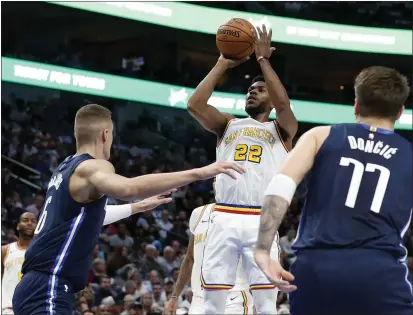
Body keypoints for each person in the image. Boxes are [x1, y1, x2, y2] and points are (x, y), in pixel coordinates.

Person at [12, 103, 245, 315]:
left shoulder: (64, 169)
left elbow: (86, 219)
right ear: (105, 134)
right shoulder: (92, 166)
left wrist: (136, 208)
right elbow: (129, 187)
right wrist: (201, 172)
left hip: (34, 287)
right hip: (48, 287)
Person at [254, 66, 412, 315]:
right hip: (380, 274)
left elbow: (280, 186)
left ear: (356, 105)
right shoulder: (409, 154)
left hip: (316, 270)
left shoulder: (320, 136)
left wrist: (263, 250)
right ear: (400, 111)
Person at [187, 25, 297, 314]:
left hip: (260, 220)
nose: (252, 93)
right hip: (222, 216)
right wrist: (223, 62)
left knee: (265, 304)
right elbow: (194, 104)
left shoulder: (281, 130)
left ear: (271, 98)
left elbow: (284, 103)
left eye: (260, 90)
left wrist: (263, 61)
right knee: (212, 303)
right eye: (250, 89)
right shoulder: (228, 124)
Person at [165, 203, 274, 315]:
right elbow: (190, 258)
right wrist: (174, 296)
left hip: (234, 298)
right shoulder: (198, 213)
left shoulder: (247, 215)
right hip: (199, 300)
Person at [2, 212, 37, 315]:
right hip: (8, 309)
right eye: (25, 220)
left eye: (33, 221)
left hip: (34, 309)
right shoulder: (4, 250)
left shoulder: (43, 253)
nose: (29, 223)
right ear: (18, 226)